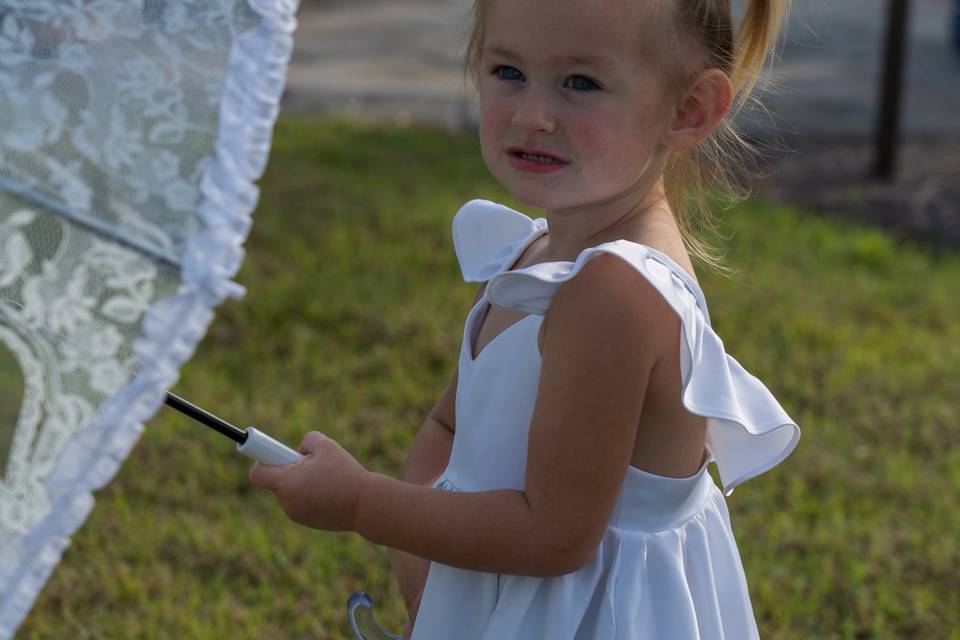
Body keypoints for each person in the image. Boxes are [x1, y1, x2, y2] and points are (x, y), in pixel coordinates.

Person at [249, 0, 801, 638]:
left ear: (688, 110)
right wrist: (426, 567)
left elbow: (553, 538)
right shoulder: (537, 253)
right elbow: (450, 425)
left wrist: (360, 503)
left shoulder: (613, 294)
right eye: (508, 71)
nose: (532, 115)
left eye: (580, 83)